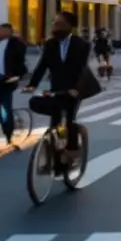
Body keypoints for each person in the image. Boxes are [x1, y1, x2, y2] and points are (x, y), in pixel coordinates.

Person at [23, 11, 92, 162]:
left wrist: (76, 88)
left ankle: (72, 151)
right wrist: (32, 85)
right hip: (56, 88)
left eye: (60, 24)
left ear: (70, 26)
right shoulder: (50, 44)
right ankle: (54, 155)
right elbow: (42, 66)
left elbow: (82, 69)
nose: (55, 27)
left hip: (74, 88)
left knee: (69, 119)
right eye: (54, 23)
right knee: (54, 119)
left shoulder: (82, 45)